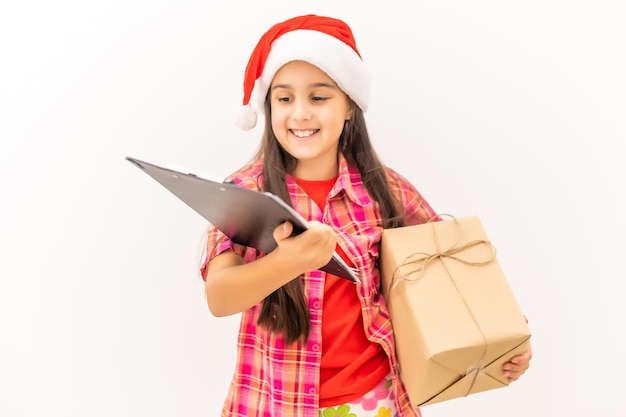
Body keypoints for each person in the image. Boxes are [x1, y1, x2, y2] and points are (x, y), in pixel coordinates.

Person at [200, 14, 532, 417]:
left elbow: (455, 275)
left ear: (348, 109)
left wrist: (507, 339)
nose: (300, 114)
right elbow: (219, 297)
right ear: (269, 108)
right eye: (284, 98)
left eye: (319, 97)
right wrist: (290, 261)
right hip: (275, 403)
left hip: (376, 402)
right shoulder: (244, 193)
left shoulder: (385, 191)